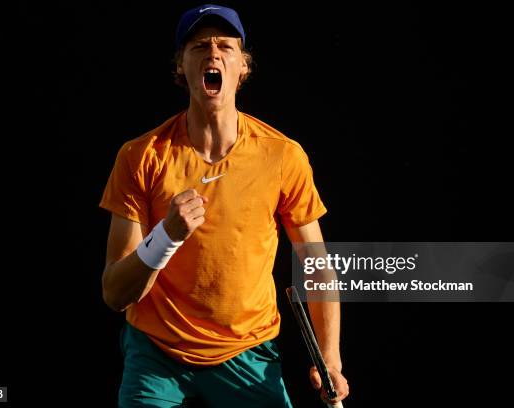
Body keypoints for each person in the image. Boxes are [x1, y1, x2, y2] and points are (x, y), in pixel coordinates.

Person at [99, 4, 349, 407]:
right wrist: (165, 235)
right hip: (157, 352)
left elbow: (316, 263)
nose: (213, 54)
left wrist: (331, 359)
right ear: (181, 66)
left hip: (247, 352)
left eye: (225, 46)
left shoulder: (282, 156)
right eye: (199, 46)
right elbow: (115, 293)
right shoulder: (140, 156)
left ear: (242, 67)